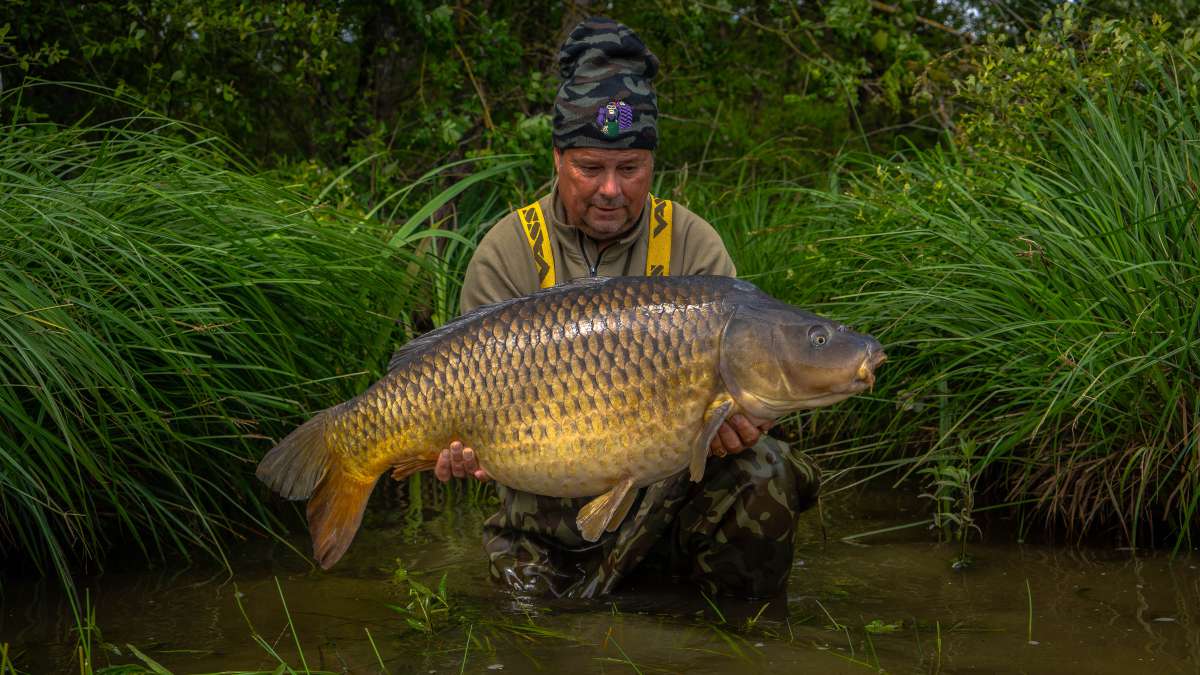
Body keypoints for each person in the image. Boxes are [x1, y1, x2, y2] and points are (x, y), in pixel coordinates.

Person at [433, 17, 820, 599]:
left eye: (630, 169)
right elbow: (465, 420)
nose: (611, 190)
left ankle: (739, 637)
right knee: (533, 638)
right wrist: (454, 450)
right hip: (545, 523)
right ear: (559, 158)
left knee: (763, 467)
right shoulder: (506, 252)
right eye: (591, 169)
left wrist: (739, 423)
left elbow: (752, 381)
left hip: (668, 510)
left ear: (652, 164)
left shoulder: (694, 244)